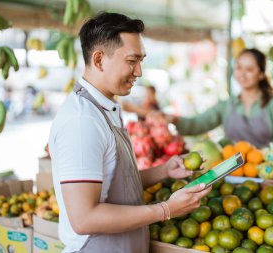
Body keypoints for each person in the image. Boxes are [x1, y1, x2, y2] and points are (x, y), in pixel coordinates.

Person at [48, 12, 211, 253]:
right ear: (100, 60)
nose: (139, 72)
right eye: (132, 61)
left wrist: (164, 170)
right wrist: (165, 210)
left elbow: (114, 183)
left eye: (141, 61)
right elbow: (84, 219)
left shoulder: (105, 107)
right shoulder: (82, 121)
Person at [153, 48, 273, 148]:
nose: (242, 74)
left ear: (262, 74)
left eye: (249, 69)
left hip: (267, 175)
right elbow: (197, 124)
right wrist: (172, 119)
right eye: (239, 68)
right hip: (230, 176)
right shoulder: (227, 105)